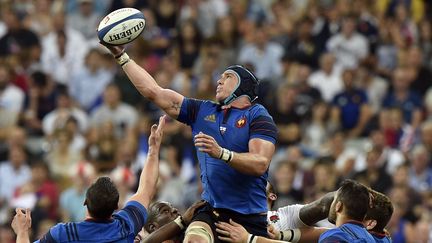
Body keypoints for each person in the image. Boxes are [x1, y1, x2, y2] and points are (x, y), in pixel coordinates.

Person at [103, 39, 278, 242]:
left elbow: (260, 163)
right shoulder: (202, 110)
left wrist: (221, 153)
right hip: (211, 210)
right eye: (219, 77)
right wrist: (121, 56)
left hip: (250, 217)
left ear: (243, 85)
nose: (219, 81)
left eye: (227, 77)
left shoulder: (258, 116)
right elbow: (154, 92)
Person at [11, 115, 166, 243]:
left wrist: (22, 232)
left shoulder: (63, 233)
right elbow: (147, 188)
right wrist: (153, 151)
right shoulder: (127, 224)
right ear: (116, 207)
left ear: (85, 201)